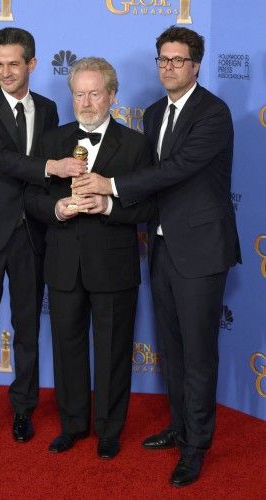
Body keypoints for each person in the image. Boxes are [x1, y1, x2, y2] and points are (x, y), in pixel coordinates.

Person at [72, 27, 241, 485]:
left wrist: (109, 185)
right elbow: (155, 179)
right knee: (172, 348)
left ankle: (196, 447)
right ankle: (181, 426)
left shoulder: (213, 113)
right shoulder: (152, 114)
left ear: (196, 65)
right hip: (162, 246)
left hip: (202, 250)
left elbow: (176, 170)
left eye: (178, 60)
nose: (169, 67)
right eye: (163, 60)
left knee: (199, 352)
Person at [0, 27, 86, 445]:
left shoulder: (46, 109)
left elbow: (40, 182)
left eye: (13, 64)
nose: (5, 72)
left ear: (31, 63)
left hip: (31, 232)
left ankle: (23, 409)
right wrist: (52, 166)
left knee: (27, 326)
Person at [25, 57, 156, 459]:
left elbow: (150, 207)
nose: (85, 102)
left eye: (94, 93)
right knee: (67, 348)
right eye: (79, 93)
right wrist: (58, 209)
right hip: (63, 264)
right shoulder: (52, 140)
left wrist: (110, 205)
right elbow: (32, 198)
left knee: (114, 351)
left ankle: (109, 430)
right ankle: (73, 425)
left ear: (112, 96)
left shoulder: (135, 144)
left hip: (113, 267)